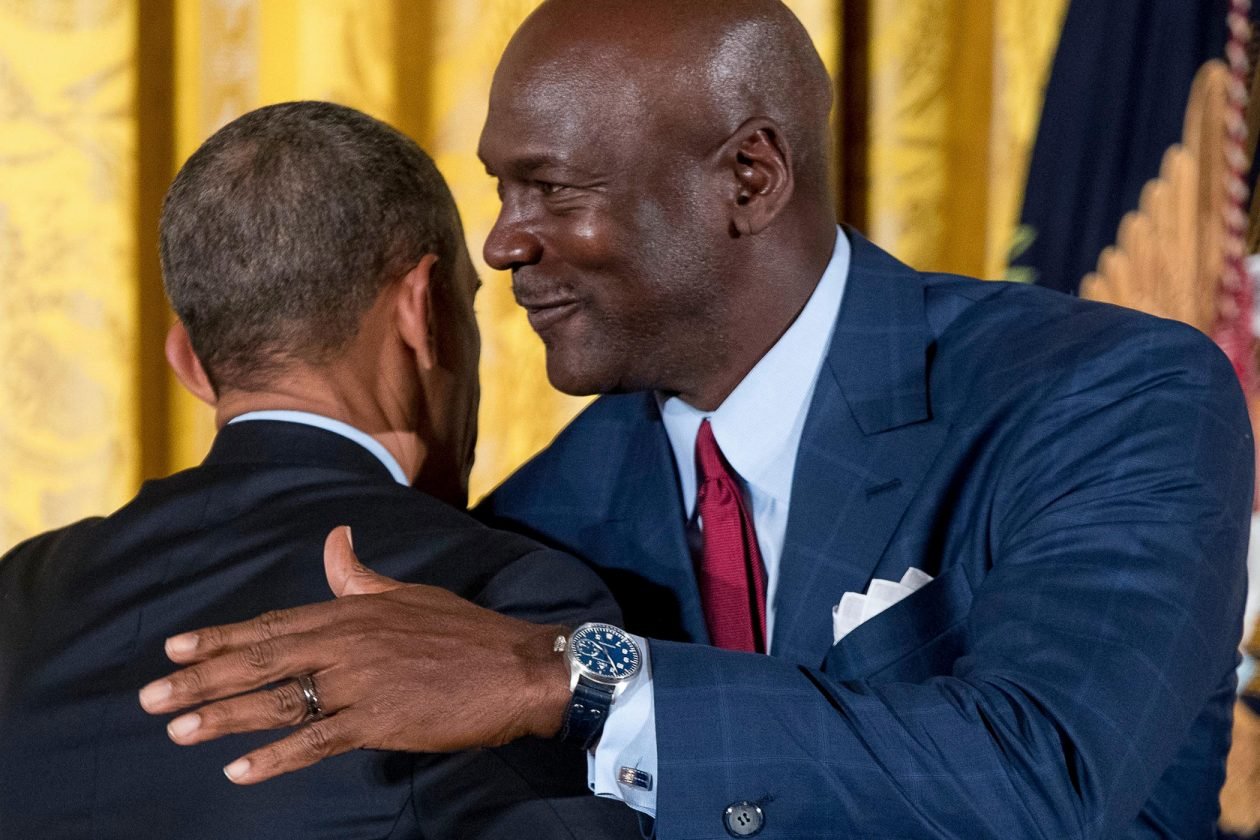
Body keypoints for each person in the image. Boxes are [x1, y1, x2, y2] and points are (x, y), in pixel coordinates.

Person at [137, 2, 1255, 838]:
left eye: (553, 191)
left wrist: (571, 679)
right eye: (500, 193)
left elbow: (1045, 772)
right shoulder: (537, 530)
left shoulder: (1108, 395)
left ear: (750, 177)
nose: (502, 245)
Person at [0, 100, 640, 839]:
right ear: (422, 313)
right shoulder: (504, 605)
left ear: (190, 365)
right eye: (463, 303)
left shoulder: (19, 594)